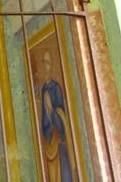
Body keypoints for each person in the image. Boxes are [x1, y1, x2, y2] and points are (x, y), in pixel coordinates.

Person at [39, 51, 76, 182]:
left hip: (60, 146)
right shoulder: (43, 88)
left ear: (52, 66)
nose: (45, 66)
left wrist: (51, 110)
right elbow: (44, 122)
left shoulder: (56, 88)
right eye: (44, 62)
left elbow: (62, 119)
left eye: (48, 63)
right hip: (50, 146)